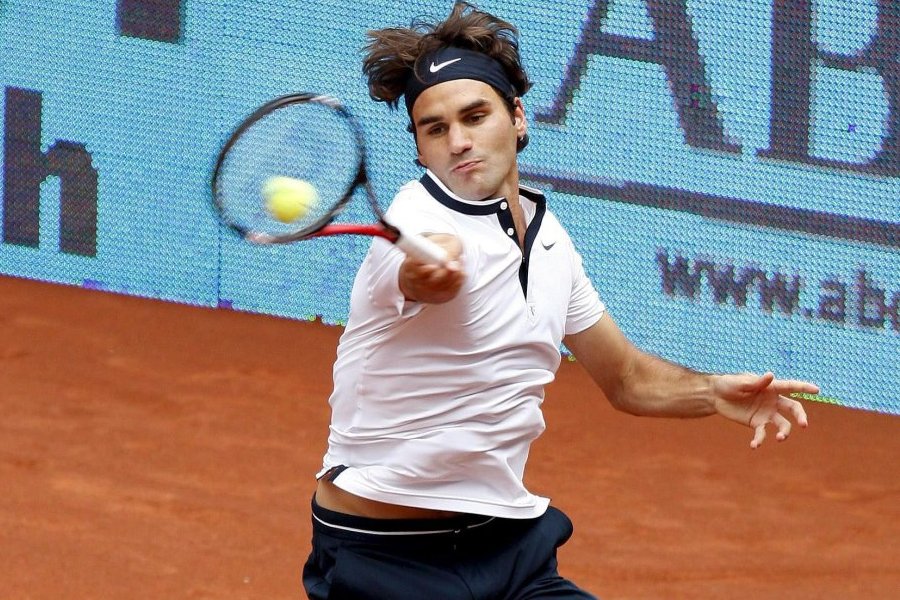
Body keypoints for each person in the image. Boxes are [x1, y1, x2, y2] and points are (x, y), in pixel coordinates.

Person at [302, 2, 819, 598]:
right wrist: (433, 272)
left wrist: (712, 392)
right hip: (384, 557)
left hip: (507, 548)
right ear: (420, 149)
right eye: (435, 129)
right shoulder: (415, 217)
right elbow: (424, 267)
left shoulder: (549, 240)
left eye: (475, 116)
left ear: (517, 117)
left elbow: (626, 379)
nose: (459, 142)